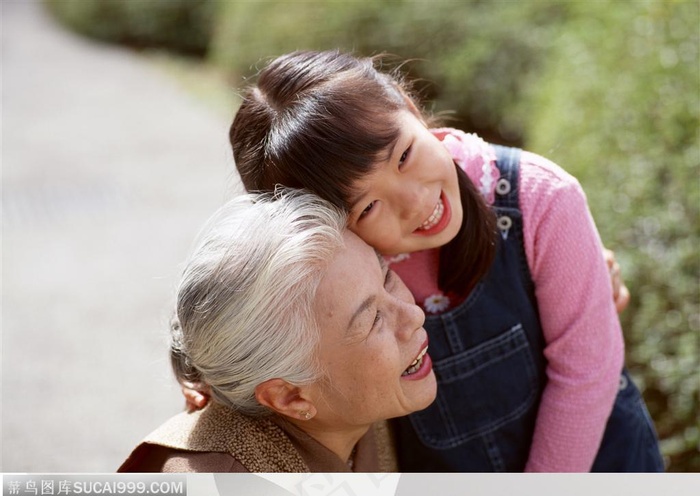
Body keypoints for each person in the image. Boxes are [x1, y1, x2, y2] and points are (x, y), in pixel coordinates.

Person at [197, 49, 663, 473]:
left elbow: (587, 373)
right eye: (368, 207)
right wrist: (202, 367)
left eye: (403, 155)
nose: (415, 201)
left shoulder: (540, 198)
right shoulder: (343, 268)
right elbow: (242, 294)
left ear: (408, 105)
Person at [119, 189, 437, 472]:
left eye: (386, 278)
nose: (413, 315)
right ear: (288, 396)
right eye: (373, 320)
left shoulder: (355, 405)